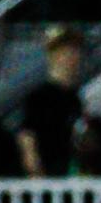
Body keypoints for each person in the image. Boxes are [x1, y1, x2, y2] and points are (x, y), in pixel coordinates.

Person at [16, 25, 86, 178]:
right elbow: (27, 137)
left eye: (75, 50)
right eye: (66, 51)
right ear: (53, 55)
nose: (72, 56)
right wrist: (37, 176)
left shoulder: (74, 98)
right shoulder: (39, 97)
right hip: (47, 179)